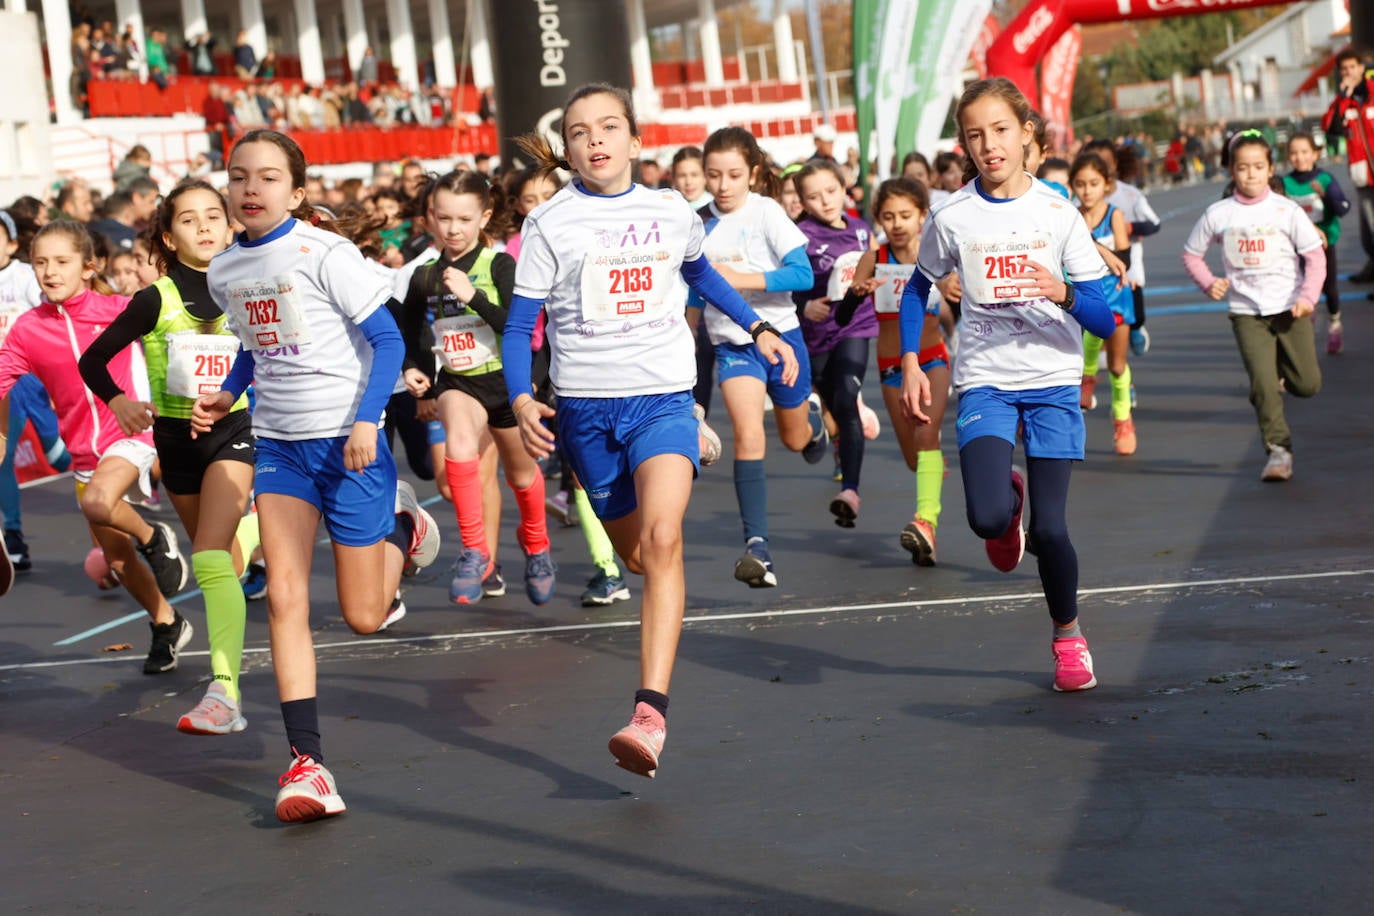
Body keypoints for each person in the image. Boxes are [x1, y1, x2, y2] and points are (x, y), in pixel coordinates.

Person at [499, 83, 797, 778]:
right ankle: (644, 544)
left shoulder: (671, 213)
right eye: (579, 132)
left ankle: (649, 713)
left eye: (608, 127)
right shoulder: (550, 225)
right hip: (584, 411)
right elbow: (519, 327)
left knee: (666, 541)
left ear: (635, 140)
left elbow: (704, 277)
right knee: (638, 555)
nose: (594, 139)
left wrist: (758, 327)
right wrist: (519, 397)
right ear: (568, 150)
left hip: (662, 399)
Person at [191, 129, 441, 822]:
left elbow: (387, 339)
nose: (249, 189)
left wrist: (368, 422)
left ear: (296, 192)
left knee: (363, 616)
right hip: (279, 446)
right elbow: (252, 342)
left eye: (268, 177)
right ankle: (307, 763)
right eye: (239, 175)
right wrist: (227, 391)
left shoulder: (323, 252)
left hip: (348, 440)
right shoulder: (224, 271)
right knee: (284, 599)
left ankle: (405, 523)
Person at [897, 77, 1119, 693]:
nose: (988, 145)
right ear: (964, 145)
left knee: (1050, 533)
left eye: (1000, 130)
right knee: (988, 517)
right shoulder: (951, 213)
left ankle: (1068, 638)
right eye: (974, 135)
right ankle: (1006, 501)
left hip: (1051, 380)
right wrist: (913, 360)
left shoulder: (1057, 212)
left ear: (1026, 134)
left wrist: (1064, 292)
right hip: (985, 379)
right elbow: (918, 287)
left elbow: (1104, 317)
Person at [79, 179, 261, 734]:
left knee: (207, 560)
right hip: (176, 444)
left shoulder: (250, 285)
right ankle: (258, 531)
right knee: (225, 562)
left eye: (214, 215)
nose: (205, 227)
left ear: (231, 224)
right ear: (168, 235)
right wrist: (121, 403)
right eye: (189, 219)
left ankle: (223, 691)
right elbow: (93, 360)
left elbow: (271, 350)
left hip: (236, 428)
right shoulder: (154, 299)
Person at [0, 221, 194, 673]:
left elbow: (177, 334)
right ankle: (167, 622)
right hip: (84, 455)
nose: (50, 271)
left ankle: (155, 536)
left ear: (89, 267)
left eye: (62, 262)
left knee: (101, 504)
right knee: (118, 561)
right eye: (41, 263)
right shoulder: (27, 330)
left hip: (131, 434)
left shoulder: (117, 309)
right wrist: (4, 434)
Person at [399, 170, 555, 606]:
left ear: (484, 217)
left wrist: (474, 298)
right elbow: (408, 329)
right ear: (431, 217)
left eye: (464, 219)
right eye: (444, 218)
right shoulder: (424, 277)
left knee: (523, 476)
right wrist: (415, 369)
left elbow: (520, 329)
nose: (453, 229)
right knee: (461, 447)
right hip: (459, 383)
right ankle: (474, 551)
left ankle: (537, 545)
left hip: (509, 386)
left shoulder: (500, 265)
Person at [688, 126, 819, 588]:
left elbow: (803, 276)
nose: (722, 185)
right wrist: (687, 328)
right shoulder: (695, 220)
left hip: (782, 338)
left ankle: (814, 420)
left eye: (733, 175)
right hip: (733, 344)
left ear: (754, 173)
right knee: (747, 434)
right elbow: (693, 286)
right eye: (713, 175)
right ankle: (757, 547)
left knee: (795, 439)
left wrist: (743, 279)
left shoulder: (767, 213)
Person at [1182, 130, 1325, 483]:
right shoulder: (1219, 213)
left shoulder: (1285, 210)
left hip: (1290, 308)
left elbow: (1315, 256)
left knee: (1307, 384)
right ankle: (1278, 451)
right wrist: (1208, 282)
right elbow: (1191, 254)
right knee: (1263, 384)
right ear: (1231, 170)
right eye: (1243, 167)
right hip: (1247, 311)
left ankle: (1273, 378)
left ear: (1270, 169)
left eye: (1258, 167)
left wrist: (1308, 298)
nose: (1250, 174)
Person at [837, 177, 950, 566]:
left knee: (926, 432)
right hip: (891, 368)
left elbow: (963, 309)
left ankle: (925, 524)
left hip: (933, 359)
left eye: (906, 215)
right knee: (915, 458)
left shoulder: (936, 256)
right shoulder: (874, 258)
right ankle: (933, 471)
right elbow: (842, 317)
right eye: (889, 216)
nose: (897, 223)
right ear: (878, 220)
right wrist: (855, 295)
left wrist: (955, 295)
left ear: (922, 216)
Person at [793, 160, 879, 526]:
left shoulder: (862, 231)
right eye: (814, 196)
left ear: (845, 188)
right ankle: (828, 421)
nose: (825, 201)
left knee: (845, 395)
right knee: (832, 412)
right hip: (815, 337)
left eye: (831, 191)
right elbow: (784, 286)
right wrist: (803, 305)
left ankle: (852, 490)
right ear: (802, 202)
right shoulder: (799, 235)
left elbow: (880, 266)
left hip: (855, 326)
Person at [0, 211, 70, 571]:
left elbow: (51, 308)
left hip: (31, 378)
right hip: (3, 386)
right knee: (2, 457)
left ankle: (102, 468)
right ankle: (12, 536)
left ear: (12, 244)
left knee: (59, 456)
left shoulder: (25, 276)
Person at [1071, 153, 1138, 456]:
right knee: (1088, 342)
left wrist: (1094, 247)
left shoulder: (1114, 216)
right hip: (1087, 297)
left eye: (1094, 184)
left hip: (1117, 296)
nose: (1087, 190)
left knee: (1117, 364)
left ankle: (1123, 418)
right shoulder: (1069, 217)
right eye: (1080, 184)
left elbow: (1124, 259)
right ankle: (1086, 377)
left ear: (1107, 185)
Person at [1082, 139, 1160, 356]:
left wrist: (1129, 227)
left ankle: (1136, 328)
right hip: (1094, 273)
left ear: (1115, 164)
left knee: (1133, 315)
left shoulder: (1130, 194)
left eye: (1105, 161)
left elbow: (1154, 223)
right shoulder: (1081, 197)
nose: (1101, 166)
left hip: (1129, 266)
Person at [1283, 132, 1350, 354]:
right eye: (1294, 153)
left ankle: (1334, 323)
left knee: (1328, 287)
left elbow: (1343, 208)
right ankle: (1304, 326)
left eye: (1304, 152)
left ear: (1315, 154)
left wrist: (1325, 196)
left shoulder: (1324, 179)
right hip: (1294, 246)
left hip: (1323, 244)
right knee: (1299, 287)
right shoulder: (1285, 183)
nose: (1299, 157)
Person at [1323, 51, 1374, 282]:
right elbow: (1331, 128)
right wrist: (1343, 98)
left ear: (1361, 67)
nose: (1348, 72)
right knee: (1369, 226)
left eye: (1352, 67)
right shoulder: (1344, 101)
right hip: (1364, 175)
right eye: (1343, 69)